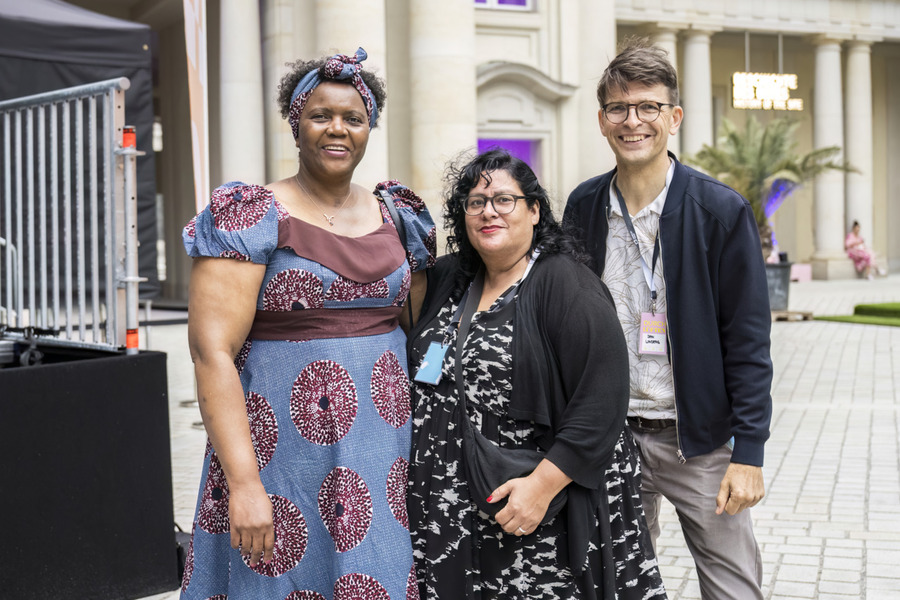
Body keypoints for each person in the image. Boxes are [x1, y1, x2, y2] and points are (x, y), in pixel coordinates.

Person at [180, 48, 435, 600]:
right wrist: (244, 483)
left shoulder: (398, 216)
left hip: (382, 453)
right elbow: (211, 353)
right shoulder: (252, 215)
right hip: (277, 455)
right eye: (321, 115)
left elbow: (420, 333)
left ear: (369, 129)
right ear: (297, 125)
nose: (337, 128)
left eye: (353, 118)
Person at [564, 38, 773, 599]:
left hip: (698, 443)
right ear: (602, 121)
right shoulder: (583, 207)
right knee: (616, 587)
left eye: (648, 107)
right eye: (618, 108)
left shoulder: (720, 210)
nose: (633, 121)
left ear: (674, 117)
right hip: (609, 438)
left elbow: (748, 342)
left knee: (734, 590)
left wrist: (749, 455)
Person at [407, 149, 666, 599]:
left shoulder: (566, 285)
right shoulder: (452, 277)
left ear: (534, 211)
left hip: (532, 511)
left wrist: (541, 488)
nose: (489, 211)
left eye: (504, 200)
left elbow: (602, 402)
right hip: (450, 513)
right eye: (475, 202)